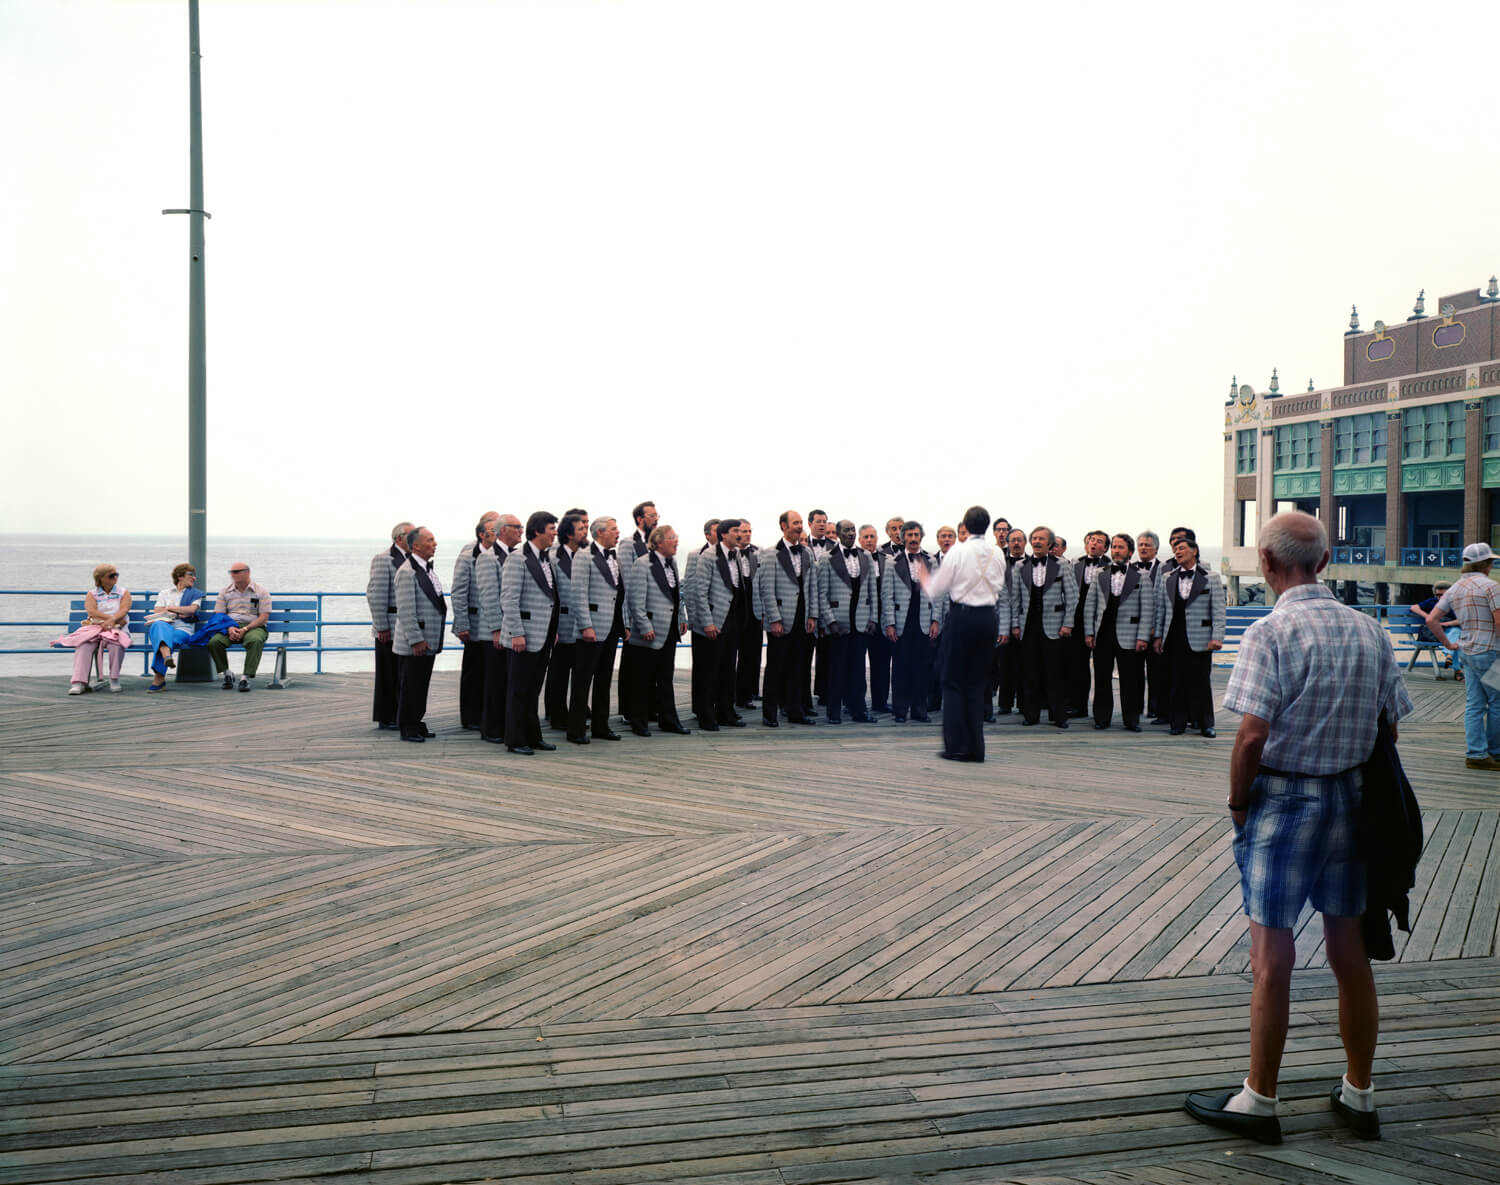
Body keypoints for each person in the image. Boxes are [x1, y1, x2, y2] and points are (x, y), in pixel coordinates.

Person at [1186, 511, 1412, 1146]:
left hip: (1284, 801)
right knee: (1350, 951)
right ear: (1324, 560)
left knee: (1272, 957)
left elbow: (1252, 733)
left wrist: (1237, 802)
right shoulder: (1369, 631)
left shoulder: (1269, 632)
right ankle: (1359, 1092)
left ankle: (1259, 1099)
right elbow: (1389, 728)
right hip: (1352, 800)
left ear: (1265, 562)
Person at [918, 505, 1008, 762]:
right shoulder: (997, 553)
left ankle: (956, 745)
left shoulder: (958, 551)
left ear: (965, 527)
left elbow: (935, 589)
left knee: (953, 680)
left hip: (963, 617)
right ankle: (976, 748)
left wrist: (924, 575)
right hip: (988, 619)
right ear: (987, 526)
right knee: (977, 683)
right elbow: (999, 585)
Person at [1430, 543, 1500, 769]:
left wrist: (1448, 643)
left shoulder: (1455, 589)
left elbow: (1431, 620)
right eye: (1491, 562)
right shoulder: (1491, 587)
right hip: (1492, 652)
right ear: (1486, 564)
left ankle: (1476, 754)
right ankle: (1495, 753)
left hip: (1467, 651)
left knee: (1474, 705)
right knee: (1497, 704)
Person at [1153, 533, 1225, 737]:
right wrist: (1158, 636)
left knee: (1201, 682)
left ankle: (1205, 724)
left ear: (1194, 551)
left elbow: (1218, 610)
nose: (1177, 552)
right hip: (1174, 636)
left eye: (1182, 548)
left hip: (1201, 638)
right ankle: (1177, 723)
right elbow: (1161, 609)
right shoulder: (1167, 577)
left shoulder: (1211, 578)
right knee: (1176, 681)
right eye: (1175, 549)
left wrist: (1217, 637)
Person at [501, 512, 561, 755]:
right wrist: (516, 632)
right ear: (537, 531)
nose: (554, 532)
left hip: (543, 635)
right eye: (551, 528)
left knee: (533, 689)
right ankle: (515, 740)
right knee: (518, 690)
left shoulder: (547, 559)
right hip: (523, 636)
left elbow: (550, 599)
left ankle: (533, 736)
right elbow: (509, 598)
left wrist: (552, 630)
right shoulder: (517, 559)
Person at [621, 524, 690, 736]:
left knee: (666, 677)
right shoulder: (642, 564)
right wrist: (643, 625)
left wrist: (681, 618)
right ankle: (638, 721)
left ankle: (668, 719)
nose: (677, 540)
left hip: (669, 630)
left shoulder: (673, 564)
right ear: (659, 542)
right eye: (672, 537)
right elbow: (635, 599)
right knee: (643, 679)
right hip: (649, 631)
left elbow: (675, 597)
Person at [1083, 534, 1154, 731]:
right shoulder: (1099, 573)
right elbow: (1090, 606)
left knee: (1130, 679)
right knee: (1102, 678)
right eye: (1114, 547)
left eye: (1120, 547)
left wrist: (1142, 636)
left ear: (1130, 552)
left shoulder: (1142, 576)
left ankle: (1131, 720)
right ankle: (1101, 718)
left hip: (1129, 635)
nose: (1116, 550)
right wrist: (1089, 633)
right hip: (1102, 633)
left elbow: (1147, 609)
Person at [755, 510, 817, 727]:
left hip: (802, 618)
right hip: (781, 619)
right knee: (775, 667)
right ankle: (769, 713)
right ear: (783, 526)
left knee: (798, 667)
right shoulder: (771, 554)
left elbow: (811, 587)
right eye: (795, 523)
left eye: (801, 523)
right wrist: (774, 619)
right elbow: (766, 589)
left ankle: (795, 711)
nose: (799, 527)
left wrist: (812, 615)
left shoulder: (807, 554)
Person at [1012, 526, 1077, 728]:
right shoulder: (1020, 566)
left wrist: (1068, 623)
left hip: (1054, 626)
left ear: (1050, 544)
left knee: (1055, 673)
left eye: (1041, 539)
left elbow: (1073, 596)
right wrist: (1014, 624)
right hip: (1028, 626)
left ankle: (1058, 716)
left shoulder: (1062, 565)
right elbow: (1014, 599)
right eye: (1034, 538)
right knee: (1030, 672)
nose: (1037, 542)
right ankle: (1031, 715)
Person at [567, 516, 625, 743]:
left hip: (611, 628)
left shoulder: (615, 557)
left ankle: (602, 726)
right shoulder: (584, 556)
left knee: (604, 679)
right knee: (582, 681)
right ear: (600, 532)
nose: (618, 532)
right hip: (591, 629)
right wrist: (585, 625)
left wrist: (623, 625)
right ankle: (576, 729)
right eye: (613, 529)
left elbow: (618, 595)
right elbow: (578, 593)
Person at [687, 517, 747, 730]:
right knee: (708, 669)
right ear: (723, 534)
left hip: (733, 618)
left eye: (741, 531)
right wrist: (707, 622)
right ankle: (706, 715)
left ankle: (726, 711)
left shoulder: (737, 554)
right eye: (735, 531)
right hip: (714, 620)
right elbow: (699, 592)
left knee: (728, 668)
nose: (740, 534)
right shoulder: (708, 556)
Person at [817, 519, 879, 724]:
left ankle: (859, 710)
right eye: (846, 530)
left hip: (861, 621)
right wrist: (830, 621)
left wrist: (873, 618)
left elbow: (872, 590)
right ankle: (834, 712)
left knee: (858, 670)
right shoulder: (827, 558)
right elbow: (822, 593)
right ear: (838, 533)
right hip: (839, 623)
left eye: (853, 530)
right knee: (837, 669)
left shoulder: (866, 556)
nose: (851, 533)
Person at [882, 521, 942, 724]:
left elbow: (938, 594)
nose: (914, 539)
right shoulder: (892, 562)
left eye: (917, 535)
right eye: (910, 535)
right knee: (900, 667)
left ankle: (919, 710)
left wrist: (936, 620)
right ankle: (900, 710)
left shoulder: (931, 561)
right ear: (903, 537)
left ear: (921, 537)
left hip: (924, 620)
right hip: (901, 621)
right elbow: (886, 595)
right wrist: (889, 623)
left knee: (922, 668)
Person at [392, 527, 445, 741]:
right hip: (415, 641)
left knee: (421, 684)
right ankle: (408, 726)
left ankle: (417, 720)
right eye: (430, 540)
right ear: (416, 546)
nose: (435, 543)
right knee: (411, 685)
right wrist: (416, 639)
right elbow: (405, 610)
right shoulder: (407, 572)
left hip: (429, 639)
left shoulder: (426, 569)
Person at [451, 513, 499, 730]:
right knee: (473, 672)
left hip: (495, 625)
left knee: (493, 672)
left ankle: (488, 714)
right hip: (474, 623)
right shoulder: (468, 554)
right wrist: (461, 623)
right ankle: (470, 717)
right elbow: (459, 591)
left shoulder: (505, 553)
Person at [544, 512, 589, 732]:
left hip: (580, 621)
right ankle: (556, 714)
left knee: (577, 670)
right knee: (559, 672)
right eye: (580, 529)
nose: (585, 531)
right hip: (561, 622)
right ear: (569, 533)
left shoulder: (586, 555)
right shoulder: (554, 558)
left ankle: (575, 713)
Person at [366, 522, 412, 729]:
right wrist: (381, 625)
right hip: (390, 624)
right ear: (399, 538)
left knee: (403, 672)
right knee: (387, 672)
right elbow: (376, 594)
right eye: (411, 535)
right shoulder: (384, 559)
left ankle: (401, 713)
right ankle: (386, 716)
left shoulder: (413, 559)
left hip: (405, 624)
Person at [59, 563, 132, 694]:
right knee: (84, 645)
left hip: (116, 628)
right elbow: (91, 611)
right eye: (111, 575)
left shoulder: (123, 592)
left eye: (116, 575)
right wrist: (110, 618)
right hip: (96, 627)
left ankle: (114, 678)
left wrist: (112, 621)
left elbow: (124, 609)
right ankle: (78, 682)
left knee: (116, 644)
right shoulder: (92, 594)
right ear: (101, 578)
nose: (115, 577)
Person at [207, 562, 271, 691]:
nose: (233, 575)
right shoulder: (225, 592)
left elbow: (263, 617)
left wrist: (245, 629)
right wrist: (230, 628)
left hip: (253, 626)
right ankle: (227, 674)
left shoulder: (261, 592)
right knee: (214, 642)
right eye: (231, 572)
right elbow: (219, 615)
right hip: (229, 626)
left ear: (247, 572)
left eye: (236, 572)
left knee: (255, 640)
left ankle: (245, 678)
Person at [1067, 530, 1110, 717]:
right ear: (1086, 544)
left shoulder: (1112, 566)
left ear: (1106, 547)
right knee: (1077, 665)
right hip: (1077, 619)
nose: (1094, 544)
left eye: (1099, 541)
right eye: (1091, 540)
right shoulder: (1073, 564)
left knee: (1102, 667)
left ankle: (1102, 710)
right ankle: (1078, 706)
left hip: (1102, 620)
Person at [145, 563, 204, 691]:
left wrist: (170, 608)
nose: (194, 578)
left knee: (166, 640)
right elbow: (157, 610)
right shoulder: (165, 593)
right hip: (165, 626)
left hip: (183, 630)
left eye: (195, 575)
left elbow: (191, 610)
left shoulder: (196, 594)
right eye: (191, 575)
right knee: (158, 625)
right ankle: (167, 658)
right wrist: (180, 612)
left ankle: (159, 679)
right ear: (180, 576)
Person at [860, 524, 893, 715]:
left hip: (882, 617)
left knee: (882, 662)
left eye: (872, 536)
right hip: (861, 618)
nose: (870, 540)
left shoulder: (887, 560)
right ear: (859, 540)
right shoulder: (855, 559)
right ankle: (855, 702)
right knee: (857, 664)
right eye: (866, 537)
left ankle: (880, 701)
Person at [1135, 529, 1166, 720]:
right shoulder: (1130, 569)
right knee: (1135, 673)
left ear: (1156, 549)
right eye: (1140, 545)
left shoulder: (1165, 570)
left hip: (1156, 631)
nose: (1143, 548)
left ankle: (1155, 708)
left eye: (1147, 545)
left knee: (1157, 672)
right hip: (1134, 631)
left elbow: (1164, 602)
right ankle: (1135, 708)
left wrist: (1157, 626)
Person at [734, 521, 763, 710]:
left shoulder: (758, 552)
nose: (748, 534)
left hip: (754, 610)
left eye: (750, 531)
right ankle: (729, 694)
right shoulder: (729, 554)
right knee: (729, 655)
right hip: (735, 609)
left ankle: (747, 694)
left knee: (751, 654)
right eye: (744, 531)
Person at [1410, 581, 1461, 677]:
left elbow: (1462, 620)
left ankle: (1453, 662)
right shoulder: (1432, 602)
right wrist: (1429, 617)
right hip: (1434, 633)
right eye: (1438, 595)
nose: (1440, 597)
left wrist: (1446, 624)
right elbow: (1414, 607)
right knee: (1455, 640)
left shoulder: (1456, 604)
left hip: (1449, 631)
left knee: (1455, 632)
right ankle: (1454, 666)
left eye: (1444, 595)